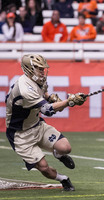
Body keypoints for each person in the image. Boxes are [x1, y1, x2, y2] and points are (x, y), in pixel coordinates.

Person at [5, 54, 87, 191]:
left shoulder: (38, 80)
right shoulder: (25, 89)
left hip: (37, 125)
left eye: (43, 68)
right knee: (43, 167)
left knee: (65, 147)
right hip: (20, 134)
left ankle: (58, 154)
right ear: (28, 69)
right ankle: (63, 179)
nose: (43, 71)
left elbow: (45, 94)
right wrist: (70, 101)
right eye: (39, 68)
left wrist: (54, 99)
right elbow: (47, 110)